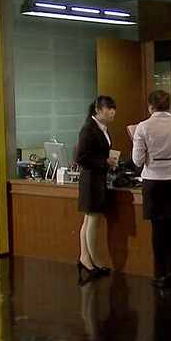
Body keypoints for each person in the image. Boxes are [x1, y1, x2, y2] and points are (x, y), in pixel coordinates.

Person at [132, 90, 171, 288]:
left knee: (158, 229)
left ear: (150, 107)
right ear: (169, 106)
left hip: (153, 182)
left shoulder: (143, 127)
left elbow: (137, 160)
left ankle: (161, 272)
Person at [76, 95, 118, 281]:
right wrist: (104, 162)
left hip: (98, 178)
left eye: (113, 108)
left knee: (89, 219)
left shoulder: (103, 128)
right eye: (108, 108)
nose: (112, 112)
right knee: (92, 219)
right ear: (97, 110)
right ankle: (92, 258)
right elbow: (81, 157)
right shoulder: (89, 129)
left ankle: (85, 257)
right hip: (91, 178)